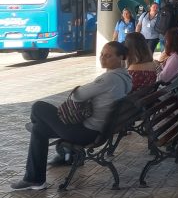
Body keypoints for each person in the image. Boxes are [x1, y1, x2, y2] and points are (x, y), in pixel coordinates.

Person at [11, 42, 132, 190]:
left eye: (108, 56)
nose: (102, 58)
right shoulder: (125, 77)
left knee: (39, 107)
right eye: (101, 54)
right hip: (98, 129)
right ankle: (35, 180)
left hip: (86, 133)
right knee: (39, 129)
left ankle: (38, 175)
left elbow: (77, 95)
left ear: (121, 57)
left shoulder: (109, 79)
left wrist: (86, 88)